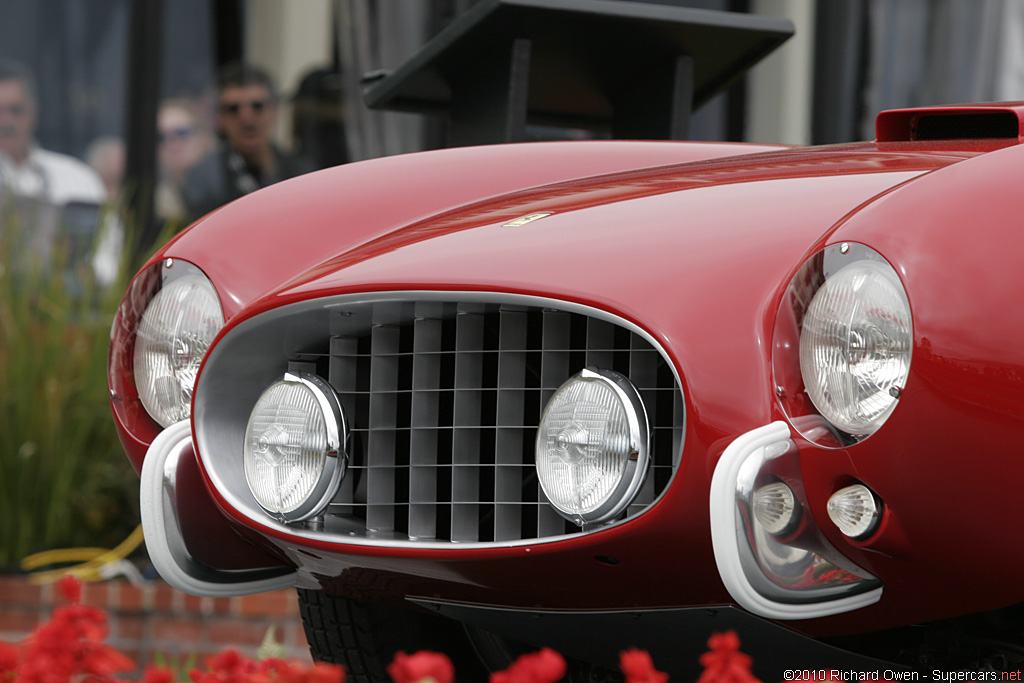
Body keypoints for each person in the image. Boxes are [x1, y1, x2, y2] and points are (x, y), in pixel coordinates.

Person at [0, 59, 120, 285]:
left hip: (68, 313)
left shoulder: (78, 177)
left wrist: (90, 275)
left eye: (15, 110)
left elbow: (109, 252)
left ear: (33, 110)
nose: (6, 120)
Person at [181, 62, 313, 221]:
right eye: (233, 109)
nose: (247, 119)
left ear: (275, 111)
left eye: (257, 106)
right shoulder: (205, 178)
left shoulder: (302, 173)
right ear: (219, 118)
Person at [155, 98, 212, 225]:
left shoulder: (224, 187)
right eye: (162, 138)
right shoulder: (153, 204)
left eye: (182, 133)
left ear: (205, 137)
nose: (173, 144)